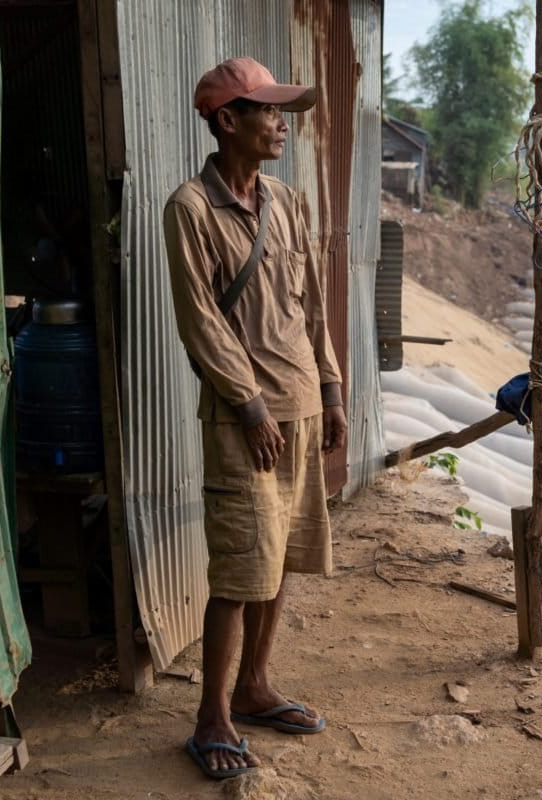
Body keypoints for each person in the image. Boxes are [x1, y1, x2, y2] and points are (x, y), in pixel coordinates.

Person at [162, 56, 347, 780]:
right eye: (267, 111)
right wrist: (248, 403)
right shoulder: (192, 209)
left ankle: (257, 686)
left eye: (282, 111)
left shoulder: (287, 201)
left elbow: (311, 306)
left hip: (300, 406)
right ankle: (212, 719)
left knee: (281, 560)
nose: (281, 123)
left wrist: (330, 392)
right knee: (240, 572)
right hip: (248, 422)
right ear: (226, 120)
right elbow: (199, 321)